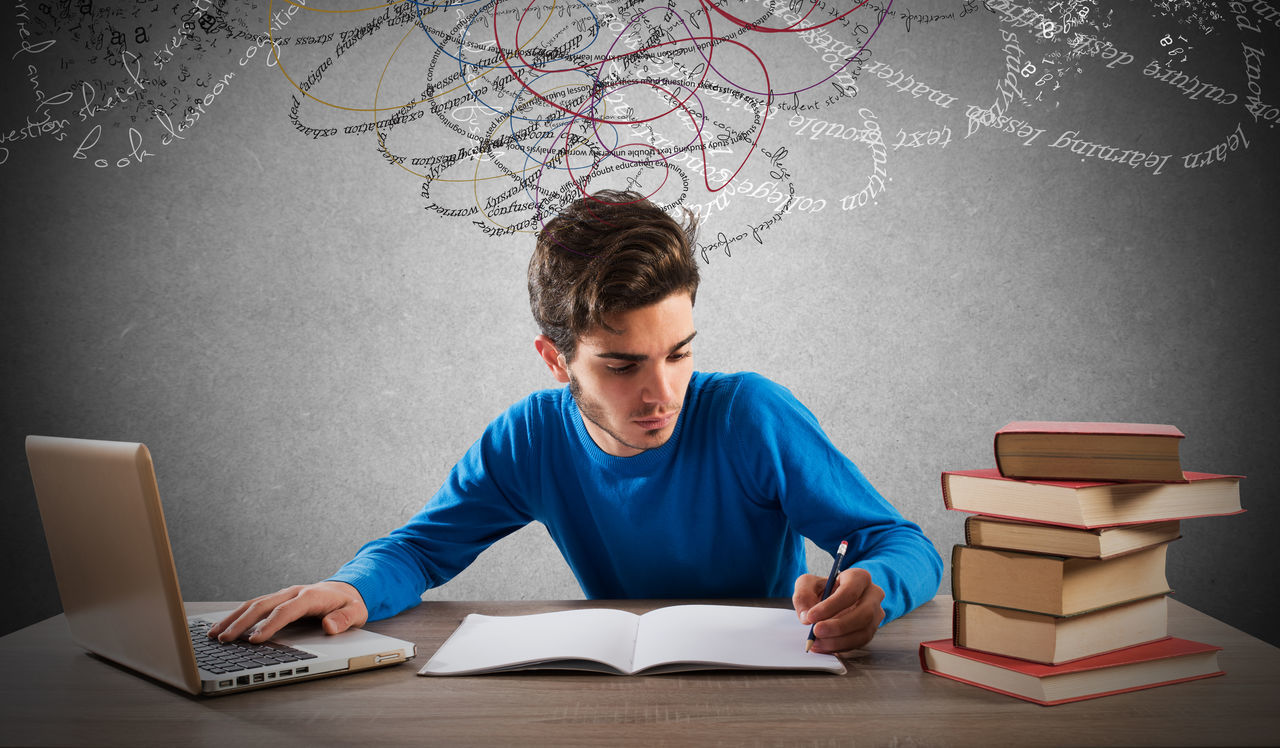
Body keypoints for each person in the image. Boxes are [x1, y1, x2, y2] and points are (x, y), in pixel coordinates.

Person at [210, 190, 942, 654]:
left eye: (679, 353)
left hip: (777, 693)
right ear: (556, 361)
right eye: (622, 366)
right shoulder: (529, 438)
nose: (662, 392)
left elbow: (899, 543)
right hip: (615, 701)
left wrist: (876, 583)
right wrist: (355, 589)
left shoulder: (749, 415)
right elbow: (419, 551)